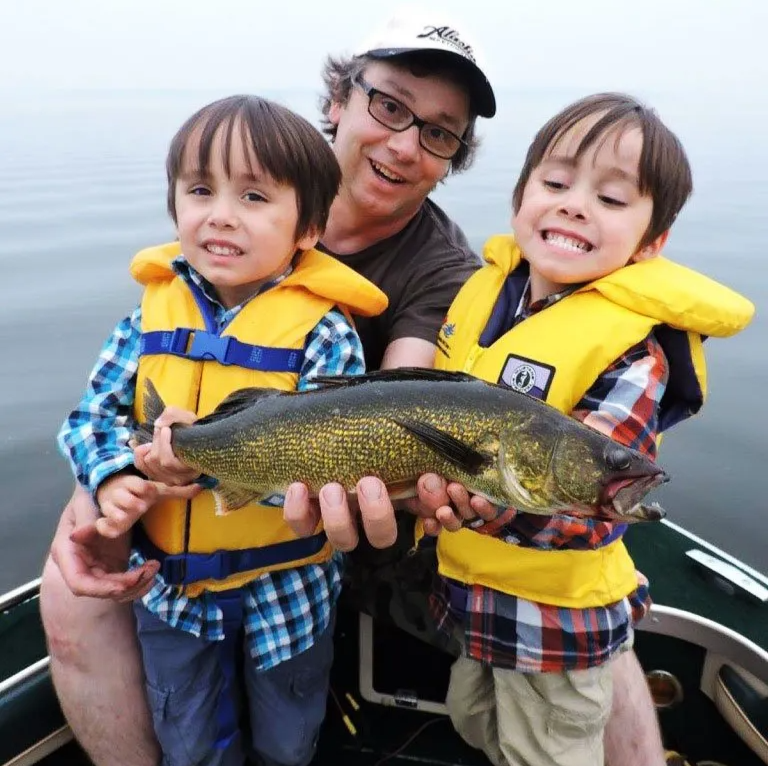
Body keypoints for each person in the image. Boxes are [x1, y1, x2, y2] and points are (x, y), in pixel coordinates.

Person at [40, 10, 496, 766]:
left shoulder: (443, 271)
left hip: (308, 535)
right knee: (72, 565)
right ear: (340, 100)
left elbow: (394, 400)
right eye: (390, 105)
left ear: (452, 158)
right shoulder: (208, 237)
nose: (405, 143)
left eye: (439, 133)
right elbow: (106, 407)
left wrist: (426, 475)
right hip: (185, 518)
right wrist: (114, 480)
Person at [419, 93, 755, 766]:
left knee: (544, 749)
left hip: (554, 626)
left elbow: (593, 494)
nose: (574, 204)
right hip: (474, 603)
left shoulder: (634, 353)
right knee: (477, 721)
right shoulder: (489, 294)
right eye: (555, 182)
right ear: (520, 201)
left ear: (651, 243)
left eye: (611, 198)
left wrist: (477, 505)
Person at [55, 94, 389, 766]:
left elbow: (333, 458)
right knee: (191, 741)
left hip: (289, 589)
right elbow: (88, 420)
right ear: (175, 205)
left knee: (288, 738)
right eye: (201, 190)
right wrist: (116, 473)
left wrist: (203, 461)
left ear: (307, 229)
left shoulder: (326, 336)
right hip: (171, 591)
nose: (221, 214)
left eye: (255, 196)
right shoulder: (144, 322)